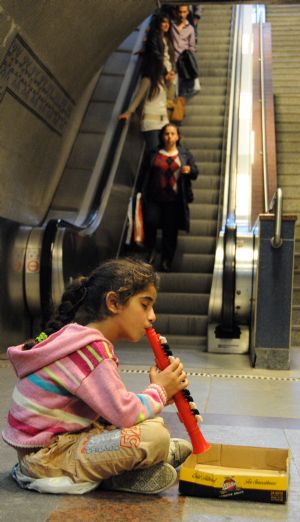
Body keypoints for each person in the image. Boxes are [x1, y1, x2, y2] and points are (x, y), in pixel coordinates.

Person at [2, 258, 194, 495]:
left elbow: (110, 407)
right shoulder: (90, 349)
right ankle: (120, 474)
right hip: (48, 460)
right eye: (145, 305)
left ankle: (131, 467)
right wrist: (160, 390)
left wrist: (159, 397)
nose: (152, 316)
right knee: (154, 436)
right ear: (113, 302)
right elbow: (124, 413)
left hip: (50, 449)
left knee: (153, 424)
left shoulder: (80, 340)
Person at [142, 124, 198, 272]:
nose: (169, 137)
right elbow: (145, 174)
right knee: (150, 222)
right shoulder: (154, 153)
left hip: (174, 200)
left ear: (178, 136)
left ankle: (167, 259)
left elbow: (195, 172)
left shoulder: (184, 154)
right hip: (154, 197)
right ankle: (150, 252)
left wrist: (189, 170)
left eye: (173, 134)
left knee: (170, 231)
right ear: (162, 136)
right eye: (166, 134)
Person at [119, 13, 175, 152]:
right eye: (163, 22)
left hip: (164, 122)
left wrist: (170, 76)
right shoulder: (149, 78)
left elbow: (169, 98)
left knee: (161, 153)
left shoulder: (165, 82)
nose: (166, 25)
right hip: (150, 122)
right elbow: (139, 95)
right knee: (155, 153)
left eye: (168, 22)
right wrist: (129, 112)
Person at [171, 4, 200, 97]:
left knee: (182, 92)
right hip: (172, 62)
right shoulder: (171, 26)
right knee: (171, 91)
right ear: (176, 12)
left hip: (184, 64)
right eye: (180, 12)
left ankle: (179, 110)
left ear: (188, 12)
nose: (182, 15)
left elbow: (192, 47)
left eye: (184, 12)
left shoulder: (190, 29)